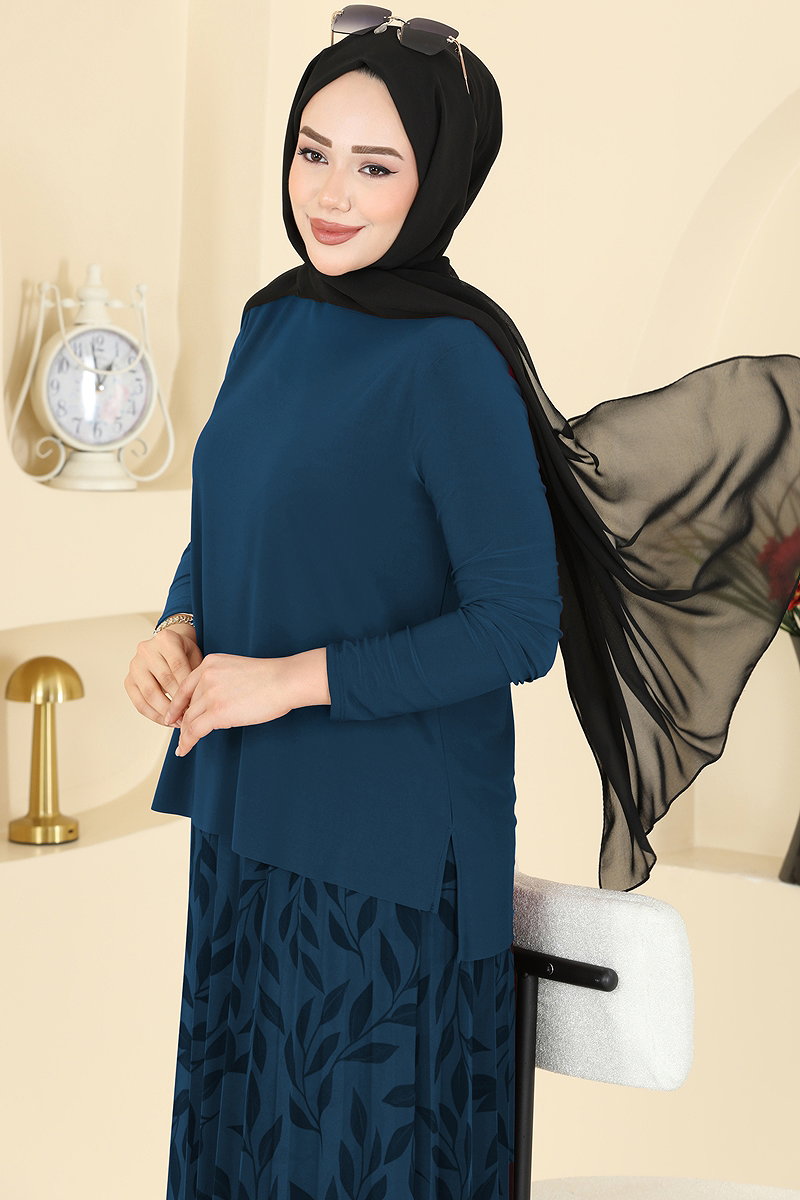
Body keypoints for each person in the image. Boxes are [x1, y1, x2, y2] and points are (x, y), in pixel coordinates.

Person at [124, 8, 800, 1198]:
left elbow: (514, 624)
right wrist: (177, 626)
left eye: (374, 166)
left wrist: (283, 682)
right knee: (242, 1156)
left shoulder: (450, 361)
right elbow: (236, 518)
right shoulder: (269, 320)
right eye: (312, 151)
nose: (330, 193)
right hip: (247, 817)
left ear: (437, 179)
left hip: (381, 856)